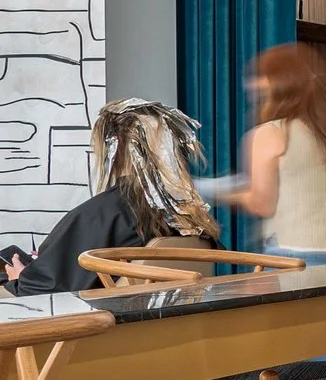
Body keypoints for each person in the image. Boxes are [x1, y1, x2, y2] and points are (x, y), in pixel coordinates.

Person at [0, 100, 222, 292]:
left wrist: (22, 280)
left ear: (112, 151)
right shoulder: (187, 217)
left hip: (87, 327)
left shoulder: (107, 213)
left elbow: (48, 289)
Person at [213, 44, 326, 262]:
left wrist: (217, 191)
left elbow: (262, 204)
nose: (252, 85)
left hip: (296, 258)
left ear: (279, 84)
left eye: (260, 78)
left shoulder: (269, 134)